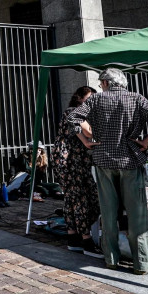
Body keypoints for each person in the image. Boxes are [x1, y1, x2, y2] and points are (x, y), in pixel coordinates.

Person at [71, 68, 148, 275]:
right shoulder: (136, 98)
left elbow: (73, 119)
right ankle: (141, 262)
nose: (100, 86)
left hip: (103, 158)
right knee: (137, 213)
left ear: (106, 82)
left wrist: (87, 141)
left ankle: (111, 258)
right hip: (130, 159)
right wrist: (145, 142)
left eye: (100, 83)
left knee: (108, 211)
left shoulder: (96, 100)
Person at [57, 86, 101, 257]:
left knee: (72, 198)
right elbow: (88, 132)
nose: (91, 102)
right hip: (71, 159)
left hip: (73, 158)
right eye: (89, 98)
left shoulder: (76, 113)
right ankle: (86, 240)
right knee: (82, 197)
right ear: (79, 98)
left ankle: (73, 238)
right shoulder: (73, 111)